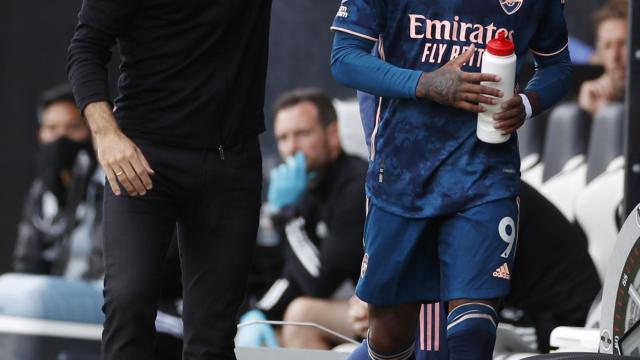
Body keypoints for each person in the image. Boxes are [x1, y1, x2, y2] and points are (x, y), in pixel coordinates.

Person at [330, 1, 572, 359]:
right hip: (402, 176)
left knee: (473, 333)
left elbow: (556, 65)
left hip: (485, 173)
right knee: (390, 336)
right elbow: (345, 58)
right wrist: (425, 83)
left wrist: (528, 102)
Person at [66, 0, 271, 358]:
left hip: (230, 160)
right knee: (127, 302)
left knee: (213, 332)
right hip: (142, 155)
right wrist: (106, 135)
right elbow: (86, 46)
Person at [346, 181, 601, 357]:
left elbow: (435, 299)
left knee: (438, 328)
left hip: (555, 324)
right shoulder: (430, 187)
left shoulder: (474, 191)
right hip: (515, 307)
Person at [236, 88, 367, 349]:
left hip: (393, 311)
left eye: (303, 134)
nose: (291, 148)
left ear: (332, 135)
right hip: (355, 311)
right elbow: (293, 276)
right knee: (270, 337)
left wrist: (286, 216)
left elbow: (319, 281)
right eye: (283, 138)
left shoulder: (356, 183)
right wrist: (261, 313)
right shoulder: (307, 190)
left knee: (301, 315)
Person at [13, 84, 104, 280]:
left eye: (73, 127)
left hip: (100, 297)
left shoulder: (106, 184)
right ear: (40, 134)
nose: (61, 137)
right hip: (52, 296)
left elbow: (108, 267)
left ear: (92, 132)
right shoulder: (41, 190)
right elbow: (27, 261)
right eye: (52, 128)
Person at [578, 0, 628, 115]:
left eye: (624, 44)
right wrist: (588, 114)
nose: (614, 56)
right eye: (607, 46)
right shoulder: (594, 94)